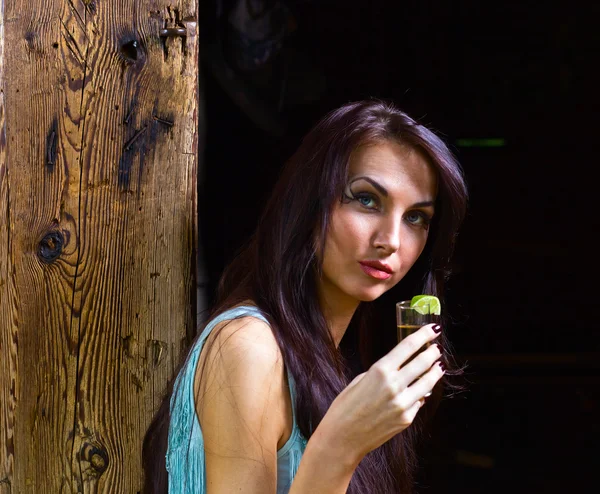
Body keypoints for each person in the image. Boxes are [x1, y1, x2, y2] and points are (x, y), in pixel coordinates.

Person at [142, 99, 468, 493]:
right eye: (366, 199)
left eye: (416, 217)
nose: (391, 241)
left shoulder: (342, 357)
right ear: (310, 203)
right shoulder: (250, 348)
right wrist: (337, 448)